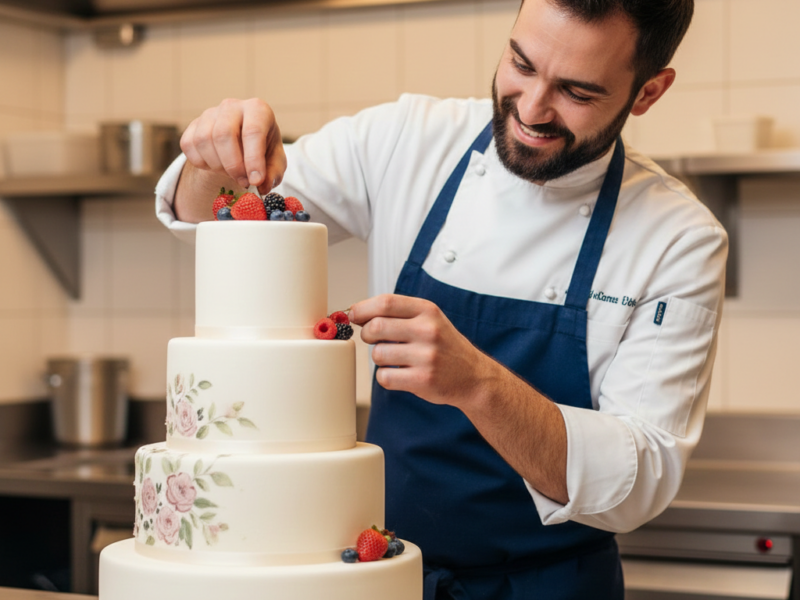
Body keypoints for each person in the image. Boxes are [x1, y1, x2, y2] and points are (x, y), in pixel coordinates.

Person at [155, 0, 727, 597]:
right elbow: (218, 217)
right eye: (521, 64)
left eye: (577, 93)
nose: (532, 108)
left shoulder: (678, 238)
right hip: (384, 576)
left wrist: (478, 383)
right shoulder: (407, 139)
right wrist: (211, 156)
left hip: (549, 587)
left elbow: (639, 483)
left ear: (648, 92)